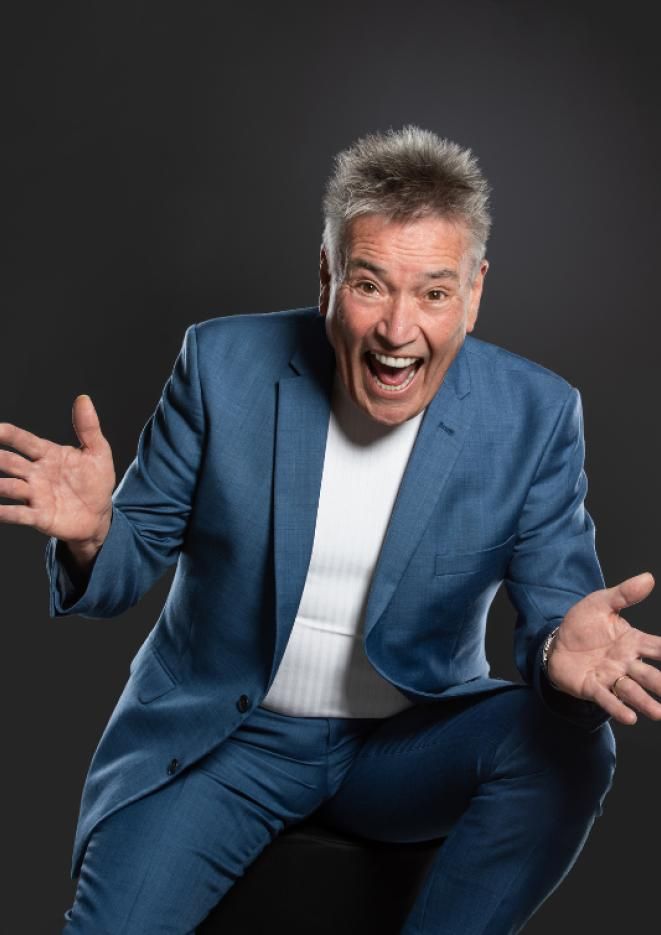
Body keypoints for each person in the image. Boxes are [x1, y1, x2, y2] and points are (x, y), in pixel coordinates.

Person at [0, 126, 659, 934]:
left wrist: (560, 652)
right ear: (326, 275)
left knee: (572, 749)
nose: (396, 329)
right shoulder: (220, 365)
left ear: (474, 292)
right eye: (371, 285)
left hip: (406, 745)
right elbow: (126, 565)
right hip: (226, 741)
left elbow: (558, 604)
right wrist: (95, 535)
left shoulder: (533, 414)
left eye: (434, 292)